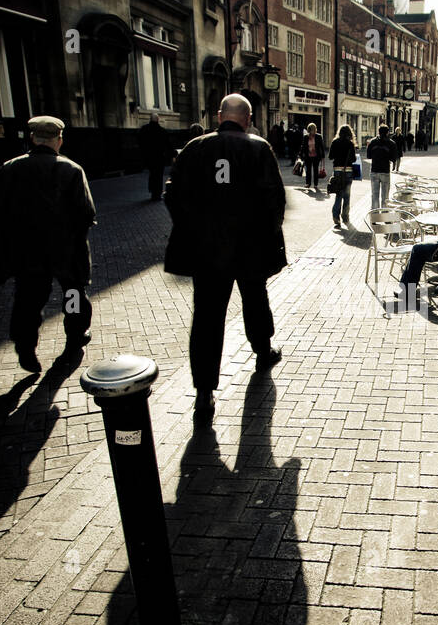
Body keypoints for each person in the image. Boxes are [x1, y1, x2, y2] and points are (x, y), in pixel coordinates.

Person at [164, 93, 285, 419]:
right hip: (248, 247)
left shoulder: (194, 148)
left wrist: (191, 228)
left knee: (206, 317)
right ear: (247, 119)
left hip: (207, 250)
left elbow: (173, 194)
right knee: (255, 299)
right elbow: (274, 199)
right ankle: (262, 351)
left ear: (220, 116)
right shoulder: (259, 148)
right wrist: (270, 235)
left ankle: (204, 393)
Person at [0, 116, 95, 374]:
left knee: (28, 299)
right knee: (73, 294)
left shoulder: (9, 168)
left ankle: (25, 346)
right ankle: (75, 337)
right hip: (66, 251)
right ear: (59, 140)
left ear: (32, 138)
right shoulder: (71, 170)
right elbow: (86, 213)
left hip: (26, 250)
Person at [139, 109, 175, 200]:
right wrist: (173, 154)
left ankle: (152, 191)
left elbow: (140, 142)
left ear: (150, 119)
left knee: (152, 174)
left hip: (149, 157)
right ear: (158, 120)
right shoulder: (162, 131)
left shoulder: (144, 130)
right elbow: (168, 144)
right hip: (159, 157)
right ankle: (157, 194)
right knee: (158, 175)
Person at [328, 124, 356, 229]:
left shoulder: (335, 142)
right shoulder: (350, 144)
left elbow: (330, 157)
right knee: (347, 196)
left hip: (337, 171)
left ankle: (336, 218)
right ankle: (345, 217)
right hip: (348, 171)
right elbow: (353, 159)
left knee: (338, 195)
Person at [366, 125, 396, 209]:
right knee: (385, 196)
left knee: (374, 195)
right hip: (385, 171)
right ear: (387, 133)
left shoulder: (372, 142)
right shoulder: (391, 143)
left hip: (374, 170)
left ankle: (375, 216)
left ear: (378, 132)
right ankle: (384, 215)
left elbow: (368, 156)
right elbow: (394, 158)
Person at [302, 122, 325, 190]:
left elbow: (321, 147)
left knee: (315, 170)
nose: (313, 131)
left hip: (316, 156)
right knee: (308, 170)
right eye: (312, 130)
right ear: (309, 130)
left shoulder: (318, 136)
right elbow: (303, 147)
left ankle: (315, 184)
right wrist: (300, 154)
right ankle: (308, 183)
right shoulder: (306, 137)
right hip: (308, 156)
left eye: (314, 129)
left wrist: (323, 156)